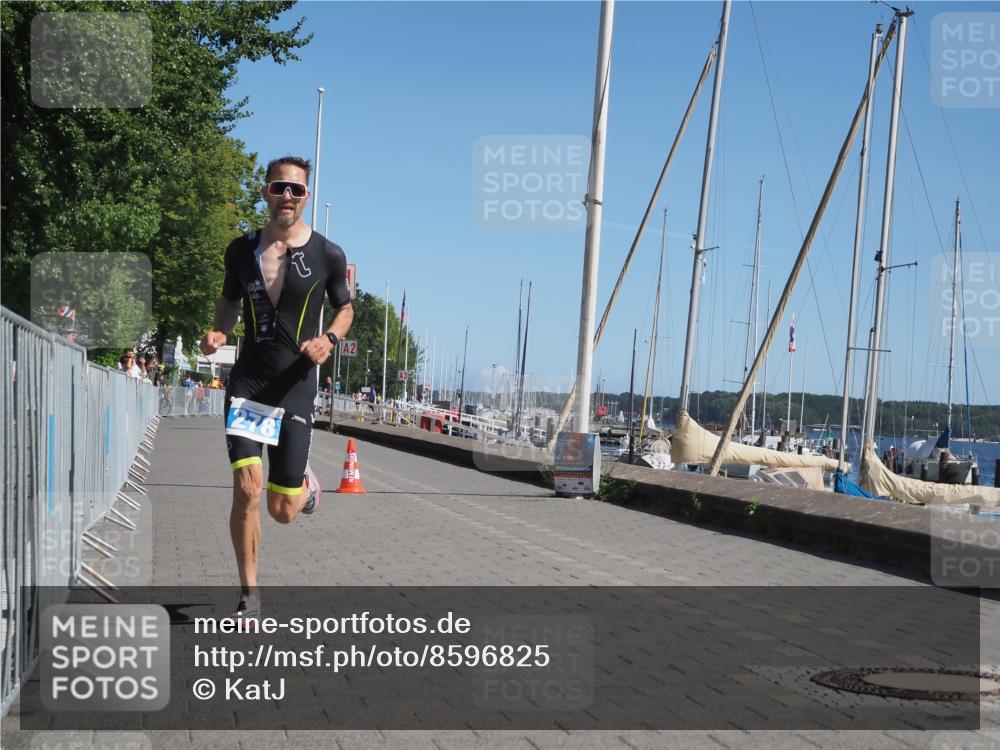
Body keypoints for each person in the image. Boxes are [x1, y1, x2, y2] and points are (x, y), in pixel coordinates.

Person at [200, 155, 353, 619]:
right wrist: (219, 332)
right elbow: (227, 303)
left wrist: (329, 339)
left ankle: (306, 488)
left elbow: (346, 310)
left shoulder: (329, 254)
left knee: (282, 510)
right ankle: (250, 594)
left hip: (296, 385)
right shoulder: (241, 250)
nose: (287, 196)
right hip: (249, 382)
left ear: (307, 197)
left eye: (296, 190)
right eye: (278, 187)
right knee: (247, 487)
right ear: (266, 192)